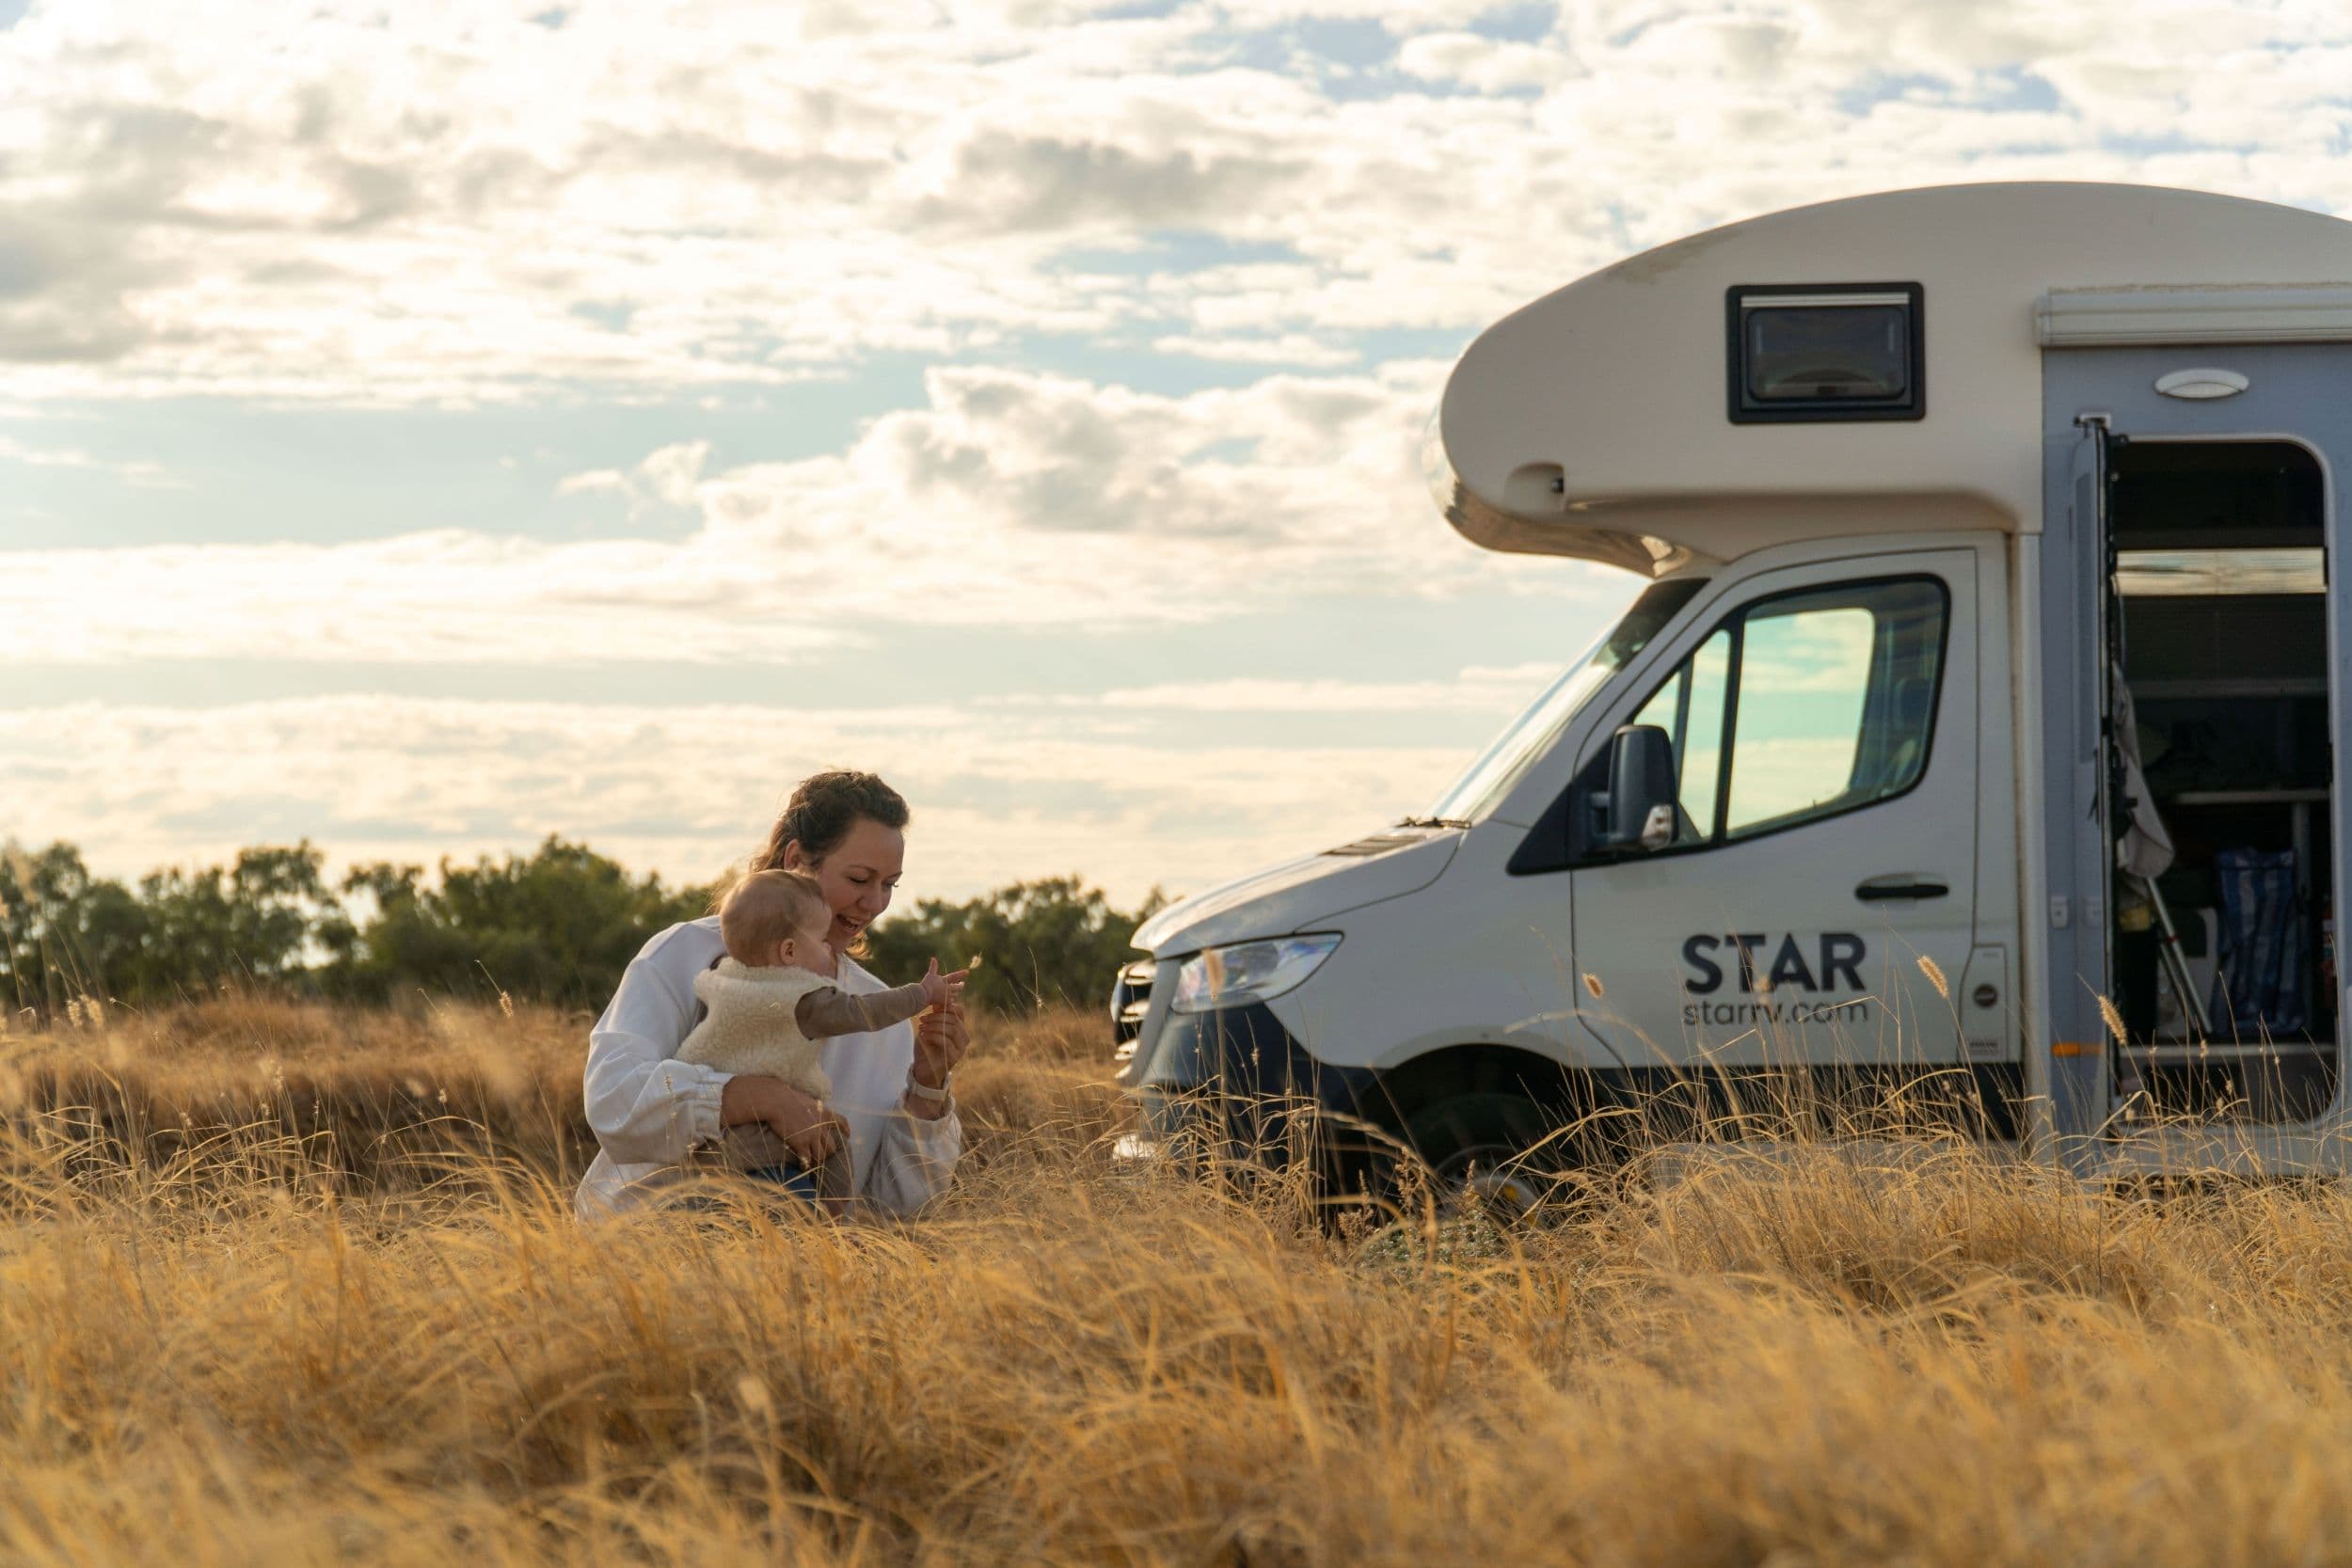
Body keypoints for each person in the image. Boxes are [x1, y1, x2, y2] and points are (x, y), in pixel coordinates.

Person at [576, 770, 970, 1219]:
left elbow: (893, 1214)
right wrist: (750, 1096)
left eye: (889, 885)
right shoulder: (683, 954)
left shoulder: (882, 1014)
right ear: (797, 859)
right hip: (642, 1262)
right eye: (860, 879)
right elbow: (613, 1099)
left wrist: (928, 1086)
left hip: (796, 1280)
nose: (875, 903)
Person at [674, 867, 965, 1212]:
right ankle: (832, 1228)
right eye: (820, 940)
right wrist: (921, 993)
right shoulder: (801, 1001)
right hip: (772, 1162)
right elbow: (863, 1011)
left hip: (714, 1155)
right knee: (826, 1156)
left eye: (889, 884)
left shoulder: (723, 980)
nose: (830, 948)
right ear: (789, 952)